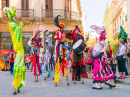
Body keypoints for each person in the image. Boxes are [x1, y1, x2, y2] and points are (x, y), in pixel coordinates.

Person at [3, 6, 26, 95]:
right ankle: (15, 88)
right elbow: (17, 30)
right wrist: (20, 25)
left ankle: (18, 86)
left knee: (20, 69)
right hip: (19, 50)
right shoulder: (11, 23)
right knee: (17, 69)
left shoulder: (13, 23)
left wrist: (20, 24)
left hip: (20, 49)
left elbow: (18, 29)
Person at [91, 25, 116, 90]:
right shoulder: (102, 36)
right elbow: (102, 43)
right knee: (103, 67)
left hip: (99, 54)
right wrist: (106, 44)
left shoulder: (101, 36)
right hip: (98, 53)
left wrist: (105, 46)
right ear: (103, 32)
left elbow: (102, 43)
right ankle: (110, 82)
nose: (105, 33)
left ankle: (99, 85)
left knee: (100, 67)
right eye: (105, 31)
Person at [54, 15, 70, 86]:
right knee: (58, 65)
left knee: (65, 65)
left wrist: (64, 41)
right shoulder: (58, 32)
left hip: (62, 50)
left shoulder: (62, 34)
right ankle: (56, 81)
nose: (65, 29)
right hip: (59, 50)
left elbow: (62, 41)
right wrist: (61, 40)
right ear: (62, 28)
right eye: (64, 28)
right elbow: (55, 37)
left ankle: (67, 81)